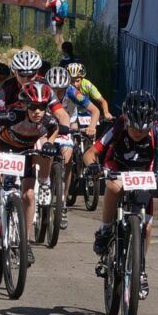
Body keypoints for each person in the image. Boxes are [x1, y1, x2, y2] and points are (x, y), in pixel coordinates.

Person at [85, 90, 158, 300]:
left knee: (148, 225)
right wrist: (93, 167)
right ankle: (105, 230)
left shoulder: (157, 132)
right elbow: (91, 153)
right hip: (117, 167)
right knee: (113, 187)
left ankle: (139, 268)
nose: (137, 134)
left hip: (143, 174)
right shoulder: (117, 127)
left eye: (143, 131)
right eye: (133, 129)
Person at [0, 82, 60, 264]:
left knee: (29, 195)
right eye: (33, 107)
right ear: (25, 105)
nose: (37, 112)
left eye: (42, 107)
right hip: (3, 148)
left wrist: (49, 143)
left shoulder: (48, 120)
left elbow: (55, 129)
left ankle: (26, 243)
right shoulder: (12, 115)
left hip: (26, 153)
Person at [44, 66, 99, 229]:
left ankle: (63, 200)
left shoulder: (72, 92)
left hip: (67, 124)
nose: (58, 93)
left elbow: (94, 110)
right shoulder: (43, 91)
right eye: (54, 89)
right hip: (46, 126)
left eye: (61, 90)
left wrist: (92, 126)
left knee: (67, 157)